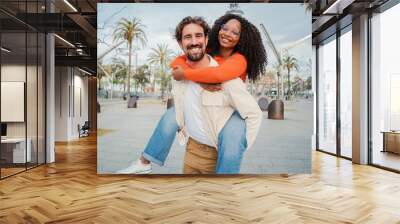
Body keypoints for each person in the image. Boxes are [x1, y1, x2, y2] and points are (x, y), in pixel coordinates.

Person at [116, 14, 267, 174]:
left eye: (235, 32)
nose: (228, 33)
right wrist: (199, 80)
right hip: (210, 109)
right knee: (171, 115)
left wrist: (187, 75)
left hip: (233, 110)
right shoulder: (208, 51)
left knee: (233, 139)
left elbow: (219, 75)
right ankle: (144, 161)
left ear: (242, 38)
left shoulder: (239, 60)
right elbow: (177, 63)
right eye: (225, 28)